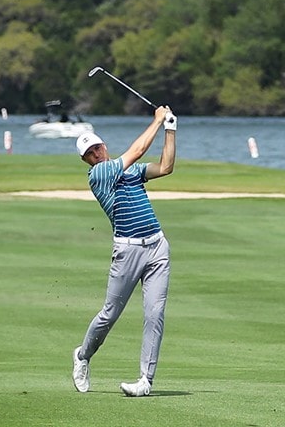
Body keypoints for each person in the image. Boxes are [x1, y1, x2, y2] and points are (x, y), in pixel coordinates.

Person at [71, 105, 177, 397]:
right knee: (110, 314)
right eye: (89, 154)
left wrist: (170, 129)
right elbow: (139, 150)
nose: (96, 154)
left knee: (155, 314)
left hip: (157, 246)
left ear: (103, 145)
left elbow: (165, 167)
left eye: (97, 148)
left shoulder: (129, 170)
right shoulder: (100, 175)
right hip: (127, 251)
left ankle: (146, 380)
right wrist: (156, 120)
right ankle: (82, 356)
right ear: (86, 160)